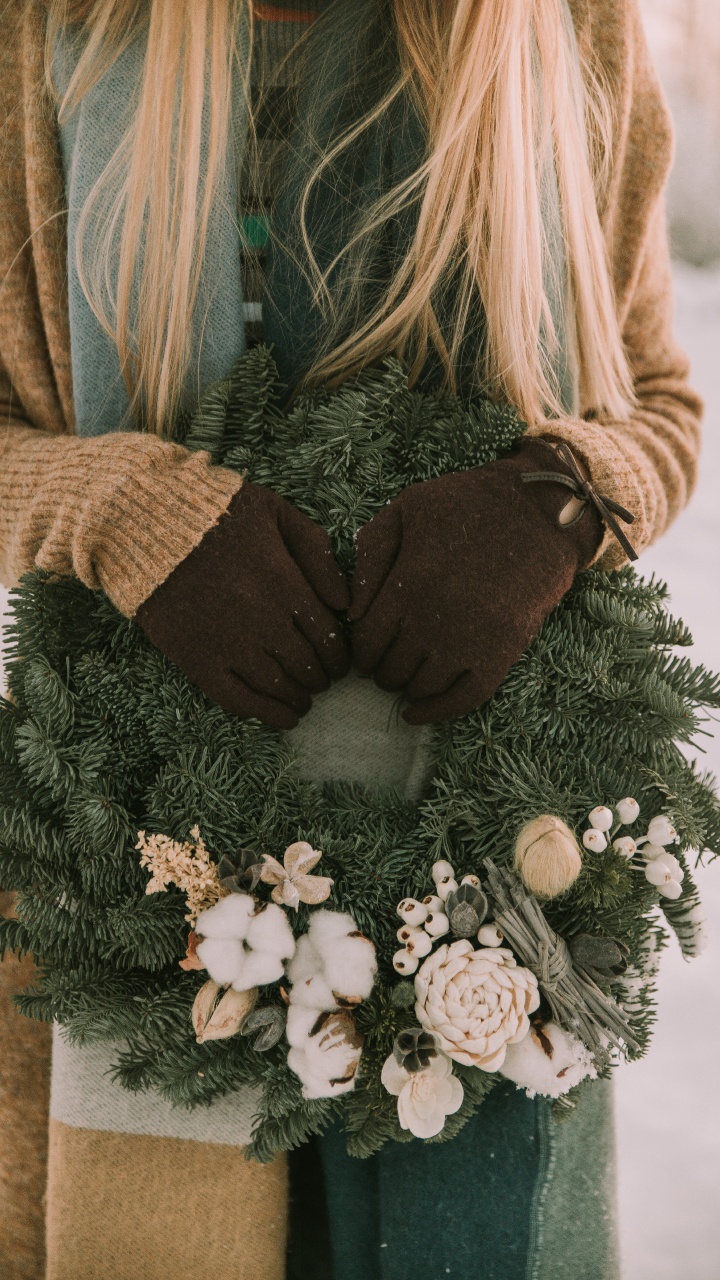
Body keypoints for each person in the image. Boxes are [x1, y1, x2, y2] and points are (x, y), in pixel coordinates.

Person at [0, 0, 701, 1277]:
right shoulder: (52, 33)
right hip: (132, 876)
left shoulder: (558, 30)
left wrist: (557, 502)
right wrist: (111, 506)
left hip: (492, 888)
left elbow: (657, 400)